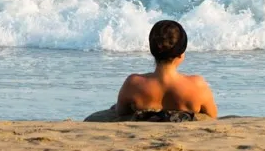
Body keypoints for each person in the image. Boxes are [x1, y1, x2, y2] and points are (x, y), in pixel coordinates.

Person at [85, 20, 218, 121]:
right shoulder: (197, 85)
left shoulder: (134, 83)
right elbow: (212, 117)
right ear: (181, 53)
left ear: (152, 50)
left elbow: (121, 113)